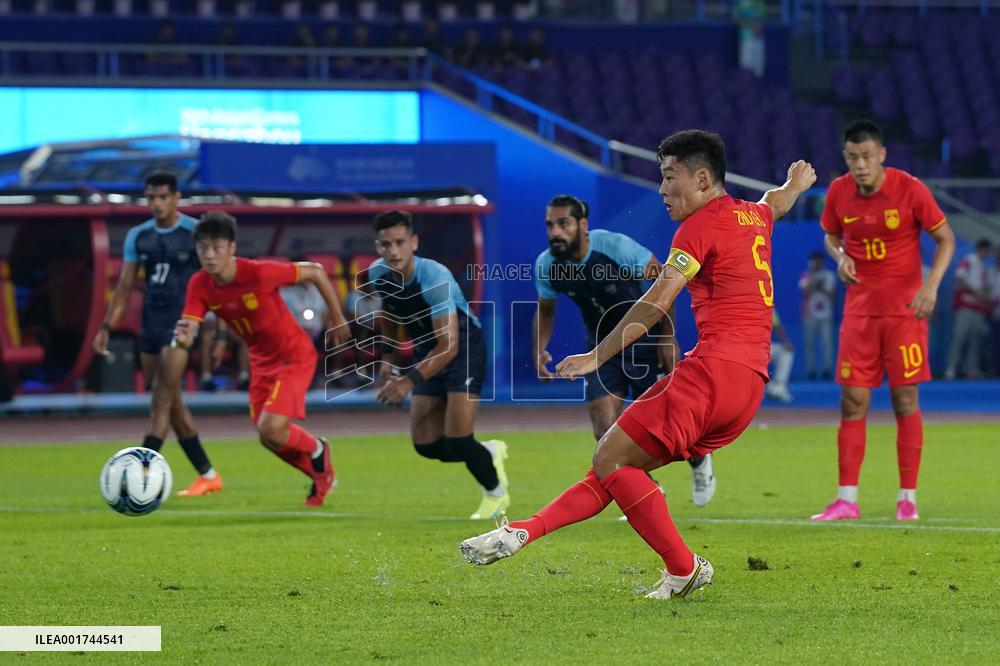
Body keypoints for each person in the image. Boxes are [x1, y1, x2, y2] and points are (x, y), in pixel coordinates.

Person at [460, 130, 816, 599]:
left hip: (711, 374)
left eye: (670, 177)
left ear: (702, 179)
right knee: (613, 467)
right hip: (748, 387)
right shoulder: (754, 215)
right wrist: (796, 184)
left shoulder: (698, 227)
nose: (662, 189)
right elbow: (776, 203)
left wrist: (595, 355)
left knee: (610, 458)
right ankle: (521, 533)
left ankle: (683, 568)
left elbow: (656, 301)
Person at [811, 119, 955, 522]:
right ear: (845, 157)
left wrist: (931, 286)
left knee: (904, 400)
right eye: (852, 158)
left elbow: (946, 239)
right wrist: (840, 256)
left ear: (881, 155)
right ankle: (846, 499)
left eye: (867, 157)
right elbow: (830, 236)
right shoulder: (838, 192)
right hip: (859, 313)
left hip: (904, 313)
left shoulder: (910, 189)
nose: (860, 165)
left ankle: (907, 498)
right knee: (852, 401)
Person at [534, 194, 716, 507]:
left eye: (563, 224)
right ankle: (648, 490)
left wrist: (667, 338)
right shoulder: (547, 265)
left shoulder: (614, 247)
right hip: (599, 348)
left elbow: (664, 283)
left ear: (583, 224)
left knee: (670, 426)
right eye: (550, 225)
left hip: (644, 340)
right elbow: (546, 309)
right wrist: (539, 349)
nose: (555, 232)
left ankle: (700, 461)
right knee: (604, 428)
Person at [172, 212, 350, 506]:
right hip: (260, 361)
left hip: (293, 355)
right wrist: (185, 335)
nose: (209, 255)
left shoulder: (257, 273)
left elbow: (316, 272)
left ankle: (318, 449)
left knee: (271, 428)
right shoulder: (199, 283)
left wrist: (337, 316)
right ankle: (319, 474)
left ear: (231, 248)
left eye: (217, 247)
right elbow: (191, 323)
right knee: (268, 438)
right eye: (203, 248)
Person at [366, 210, 509, 520]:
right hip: (426, 350)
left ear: (414, 242)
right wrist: (388, 359)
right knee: (426, 445)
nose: (393, 251)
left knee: (459, 438)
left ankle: (496, 493)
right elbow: (390, 312)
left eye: (400, 242)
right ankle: (486, 452)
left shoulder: (434, 276)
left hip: (463, 348)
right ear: (378, 246)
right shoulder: (377, 274)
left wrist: (407, 381)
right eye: (386, 244)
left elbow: (449, 345)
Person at [93, 171, 221, 497]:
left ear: (177, 197)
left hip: (182, 324)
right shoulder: (139, 236)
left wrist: (218, 331)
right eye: (151, 197)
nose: (157, 203)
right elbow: (124, 288)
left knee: (161, 396)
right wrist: (107, 327)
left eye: (163, 197)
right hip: (150, 324)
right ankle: (208, 474)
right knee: (171, 400)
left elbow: (216, 282)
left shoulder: (195, 233)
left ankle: (142, 472)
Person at [944, 239, 992, 380]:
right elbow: (959, 278)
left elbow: (983, 288)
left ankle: (971, 369)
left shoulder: (983, 267)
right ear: (982, 249)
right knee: (959, 337)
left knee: (975, 340)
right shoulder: (969, 260)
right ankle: (951, 367)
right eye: (986, 251)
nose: (987, 254)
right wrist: (975, 291)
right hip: (965, 307)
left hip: (979, 308)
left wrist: (983, 295)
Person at [798, 250, 836, 379]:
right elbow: (805, 290)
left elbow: (833, 296)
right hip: (810, 314)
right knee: (809, 343)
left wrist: (821, 288)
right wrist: (812, 278)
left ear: (823, 261)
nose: (817, 263)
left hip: (826, 314)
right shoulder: (806, 275)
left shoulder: (830, 276)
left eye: (819, 260)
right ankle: (811, 370)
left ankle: (827, 369)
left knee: (827, 343)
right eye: (815, 261)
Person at [765, 310, 794, 403]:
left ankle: (778, 387)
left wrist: (785, 341)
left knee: (786, 352)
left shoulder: (767, 304)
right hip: (746, 348)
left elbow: (776, 325)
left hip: (764, 347)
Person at [733, 0, 766, 78]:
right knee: (747, 64)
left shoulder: (761, 5)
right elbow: (736, 19)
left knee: (759, 65)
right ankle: (746, 82)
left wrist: (758, 26)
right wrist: (751, 24)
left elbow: (761, 20)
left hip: (758, 38)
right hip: (746, 38)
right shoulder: (741, 5)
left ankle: (757, 82)